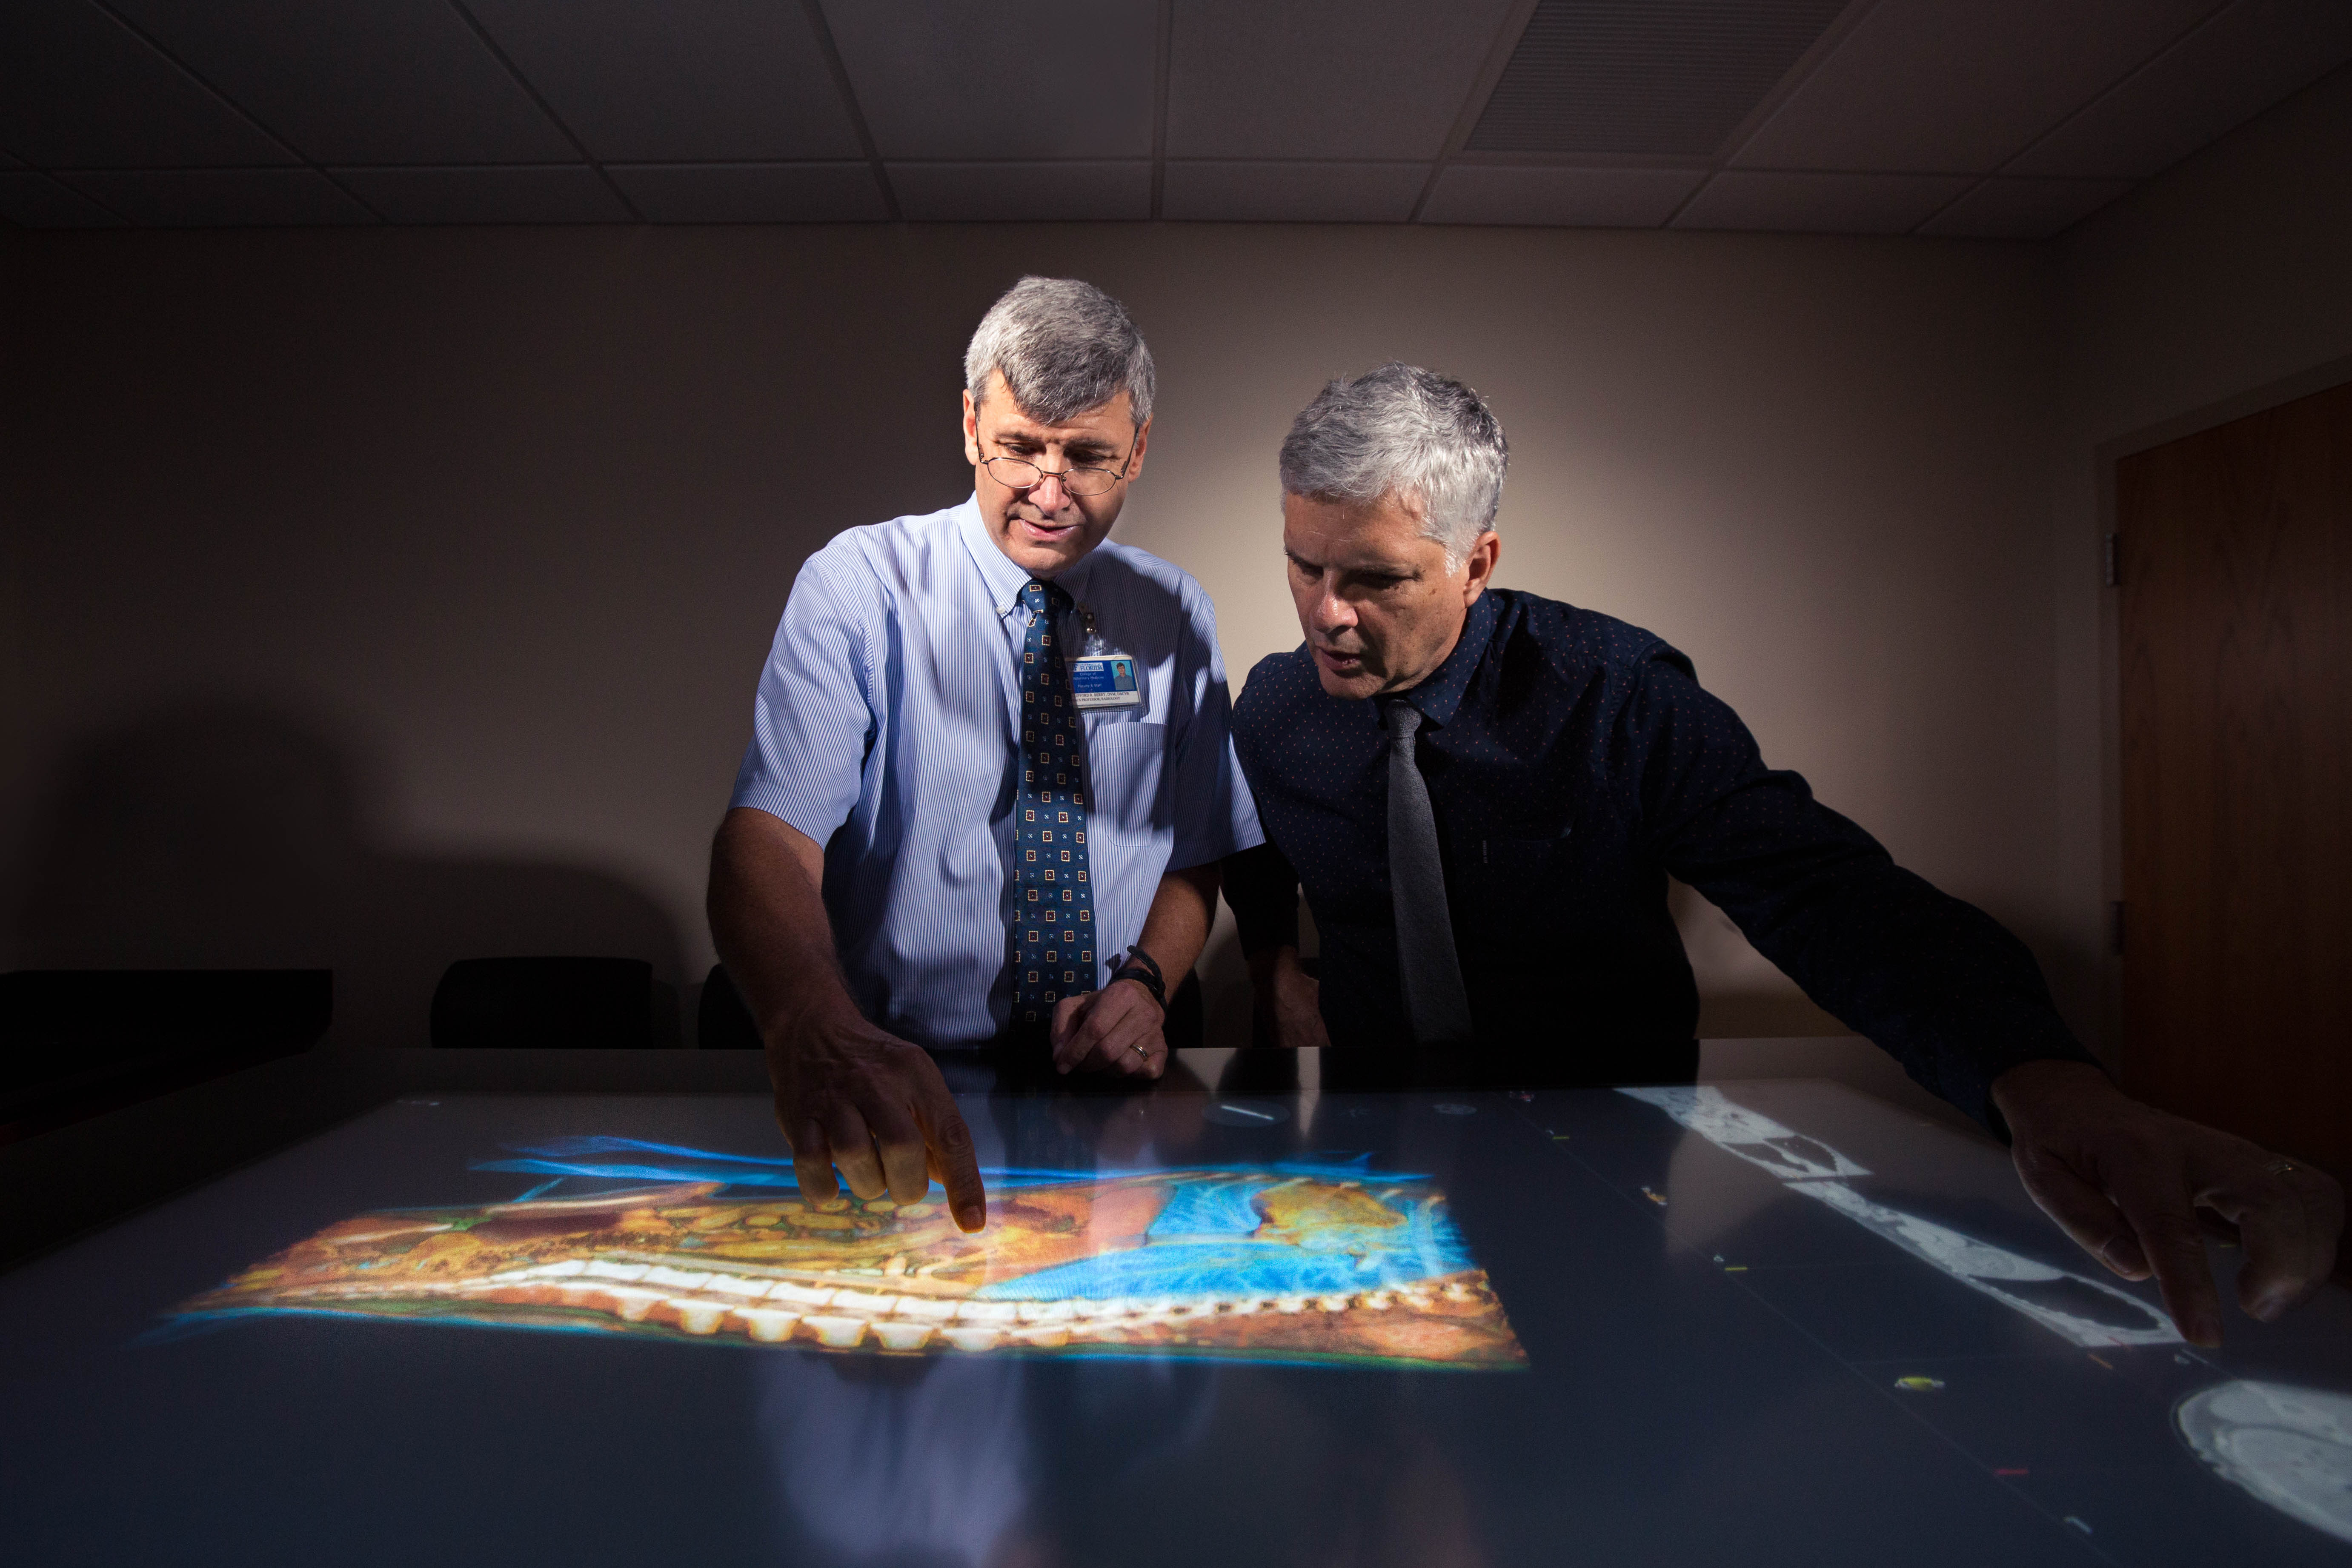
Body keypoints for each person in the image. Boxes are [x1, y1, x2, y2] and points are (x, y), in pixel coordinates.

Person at [1223, 362, 2343, 1345]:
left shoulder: (1615, 696)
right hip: (1367, 1153)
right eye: (1302, 566)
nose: (1325, 612)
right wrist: (1275, 958)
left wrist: (2042, 1078)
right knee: (1384, 1407)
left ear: (1475, 562)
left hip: (1598, 1151)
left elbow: (1823, 895)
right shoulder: (1276, 714)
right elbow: (1257, 846)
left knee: (1588, 1416)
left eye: (1374, 577)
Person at [709, 278, 1260, 1235]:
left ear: (1139, 448)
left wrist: (1143, 985)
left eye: (1087, 457)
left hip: (1109, 1108)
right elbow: (767, 835)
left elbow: (1194, 849)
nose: (1049, 493)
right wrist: (813, 1022)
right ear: (971, 427)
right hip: (901, 1084)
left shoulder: (1177, 613)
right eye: (1019, 450)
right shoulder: (860, 587)